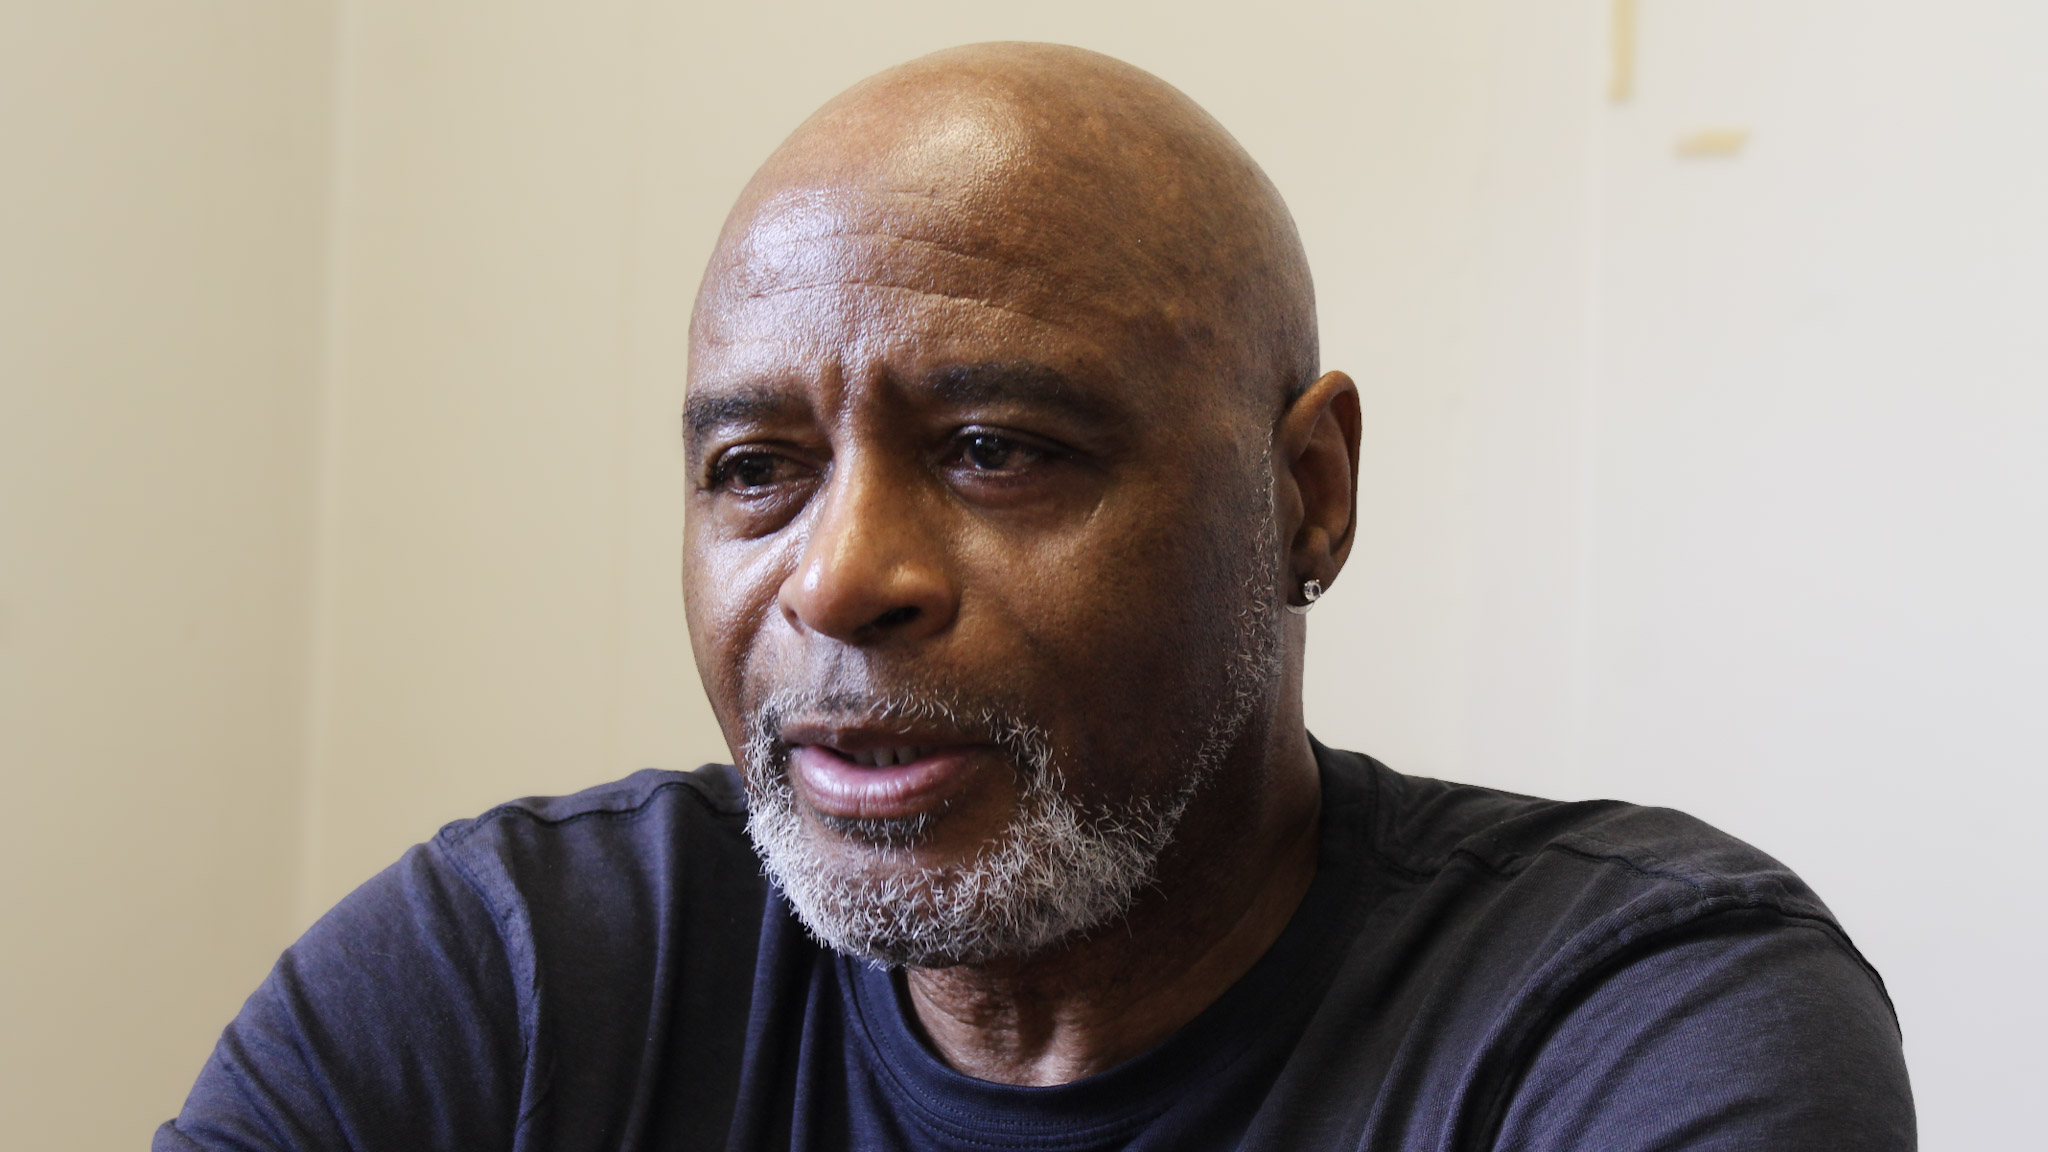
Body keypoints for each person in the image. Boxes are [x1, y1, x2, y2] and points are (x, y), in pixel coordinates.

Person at [158, 43, 1914, 1151]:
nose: (841, 578)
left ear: (1306, 496)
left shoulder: (1628, 1025)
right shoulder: (509, 983)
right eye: (755, 469)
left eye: (997, 447)